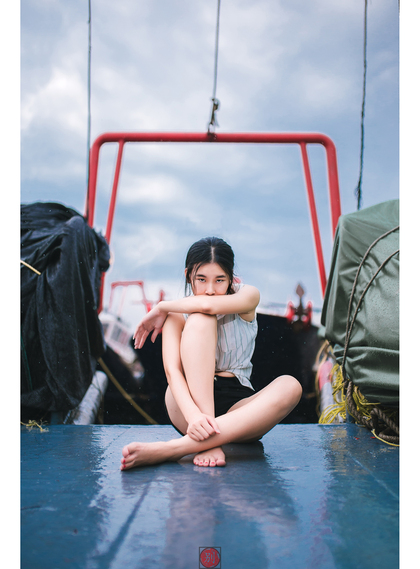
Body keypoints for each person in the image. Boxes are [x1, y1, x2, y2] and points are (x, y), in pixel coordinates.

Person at [121, 237, 302, 470]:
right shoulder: (176, 315)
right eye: (201, 279)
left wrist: (162, 306)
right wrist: (195, 417)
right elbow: (172, 370)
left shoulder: (248, 296)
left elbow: (207, 306)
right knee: (201, 319)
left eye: (219, 280)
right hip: (186, 406)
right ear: (188, 275)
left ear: (231, 278)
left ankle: (173, 449)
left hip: (238, 409)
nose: (209, 290)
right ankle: (206, 441)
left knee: (291, 386)